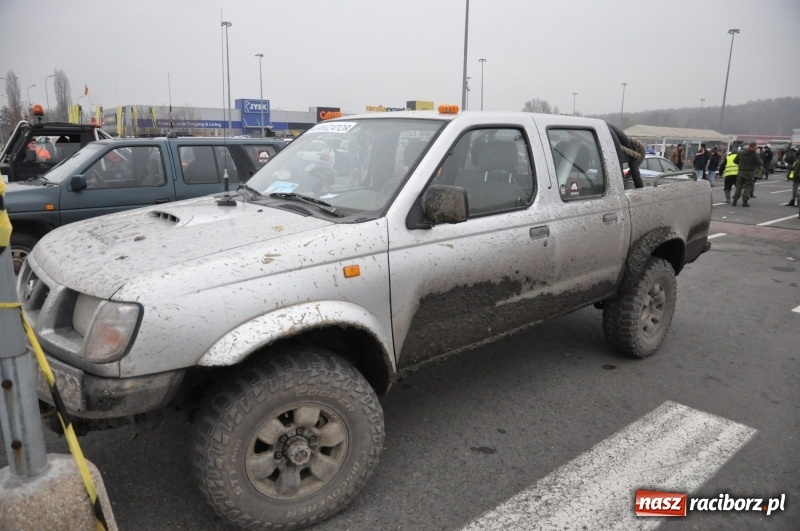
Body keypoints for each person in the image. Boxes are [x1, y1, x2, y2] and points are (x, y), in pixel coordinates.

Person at [731, 142, 763, 207]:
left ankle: (735, 200)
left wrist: (741, 164)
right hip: (750, 172)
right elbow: (759, 163)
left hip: (741, 172)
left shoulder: (741, 153)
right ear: (754, 147)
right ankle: (745, 202)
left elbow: (735, 161)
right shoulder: (755, 155)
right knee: (747, 187)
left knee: (739, 187)